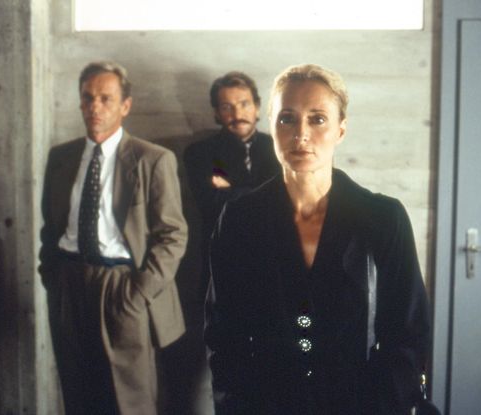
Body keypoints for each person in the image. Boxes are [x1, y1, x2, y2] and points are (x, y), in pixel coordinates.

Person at [204, 64, 431, 414]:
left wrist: (384, 405)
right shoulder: (239, 219)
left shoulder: (383, 218)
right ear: (271, 125)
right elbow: (224, 336)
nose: (301, 134)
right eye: (287, 119)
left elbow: (408, 334)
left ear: (341, 129)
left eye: (318, 119)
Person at [39, 61, 188, 414]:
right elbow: (51, 227)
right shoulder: (61, 158)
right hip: (70, 285)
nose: (95, 107)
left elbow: (173, 234)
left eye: (106, 98)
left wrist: (138, 293)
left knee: (130, 400)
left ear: (125, 106)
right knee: (78, 394)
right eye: (88, 98)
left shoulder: (152, 160)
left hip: (122, 286)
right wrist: (53, 277)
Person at [183, 71, 280, 296]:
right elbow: (211, 204)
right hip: (224, 262)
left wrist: (231, 190)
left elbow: (289, 202)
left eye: (244, 104)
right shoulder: (199, 153)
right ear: (217, 113)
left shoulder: (280, 149)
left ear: (257, 107)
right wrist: (266, 194)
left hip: (275, 260)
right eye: (227, 107)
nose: (237, 114)